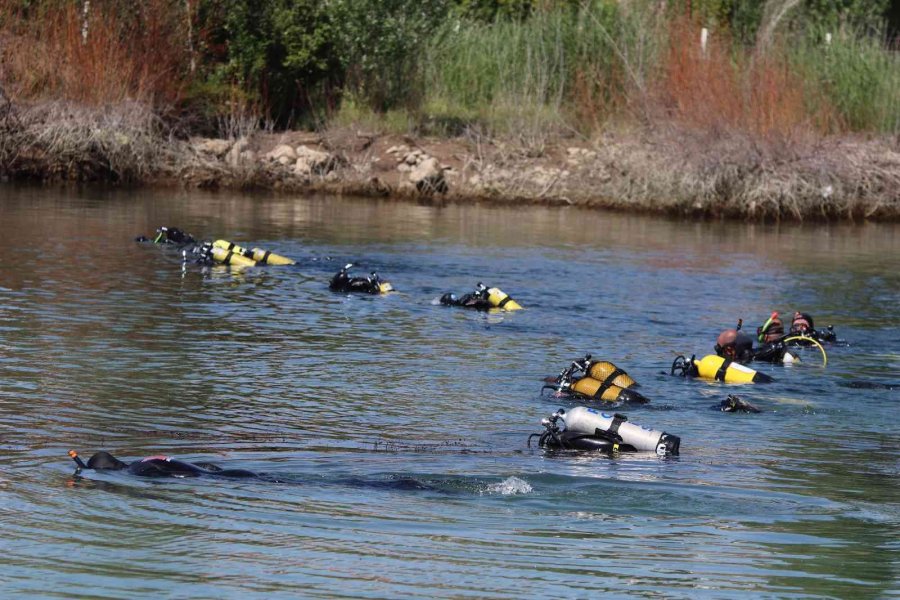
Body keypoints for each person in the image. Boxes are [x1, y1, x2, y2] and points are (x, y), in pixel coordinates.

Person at [69, 450, 259, 479]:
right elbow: (205, 465)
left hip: (209, 477)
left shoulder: (134, 471)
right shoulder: (141, 460)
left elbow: (159, 472)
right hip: (222, 472)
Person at [329, 264, 394, 294]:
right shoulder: (345, 284)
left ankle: (376, 282)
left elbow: (341, 273)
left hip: (371, 288)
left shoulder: (341, 284)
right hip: (372, 288)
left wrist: (348, 266)